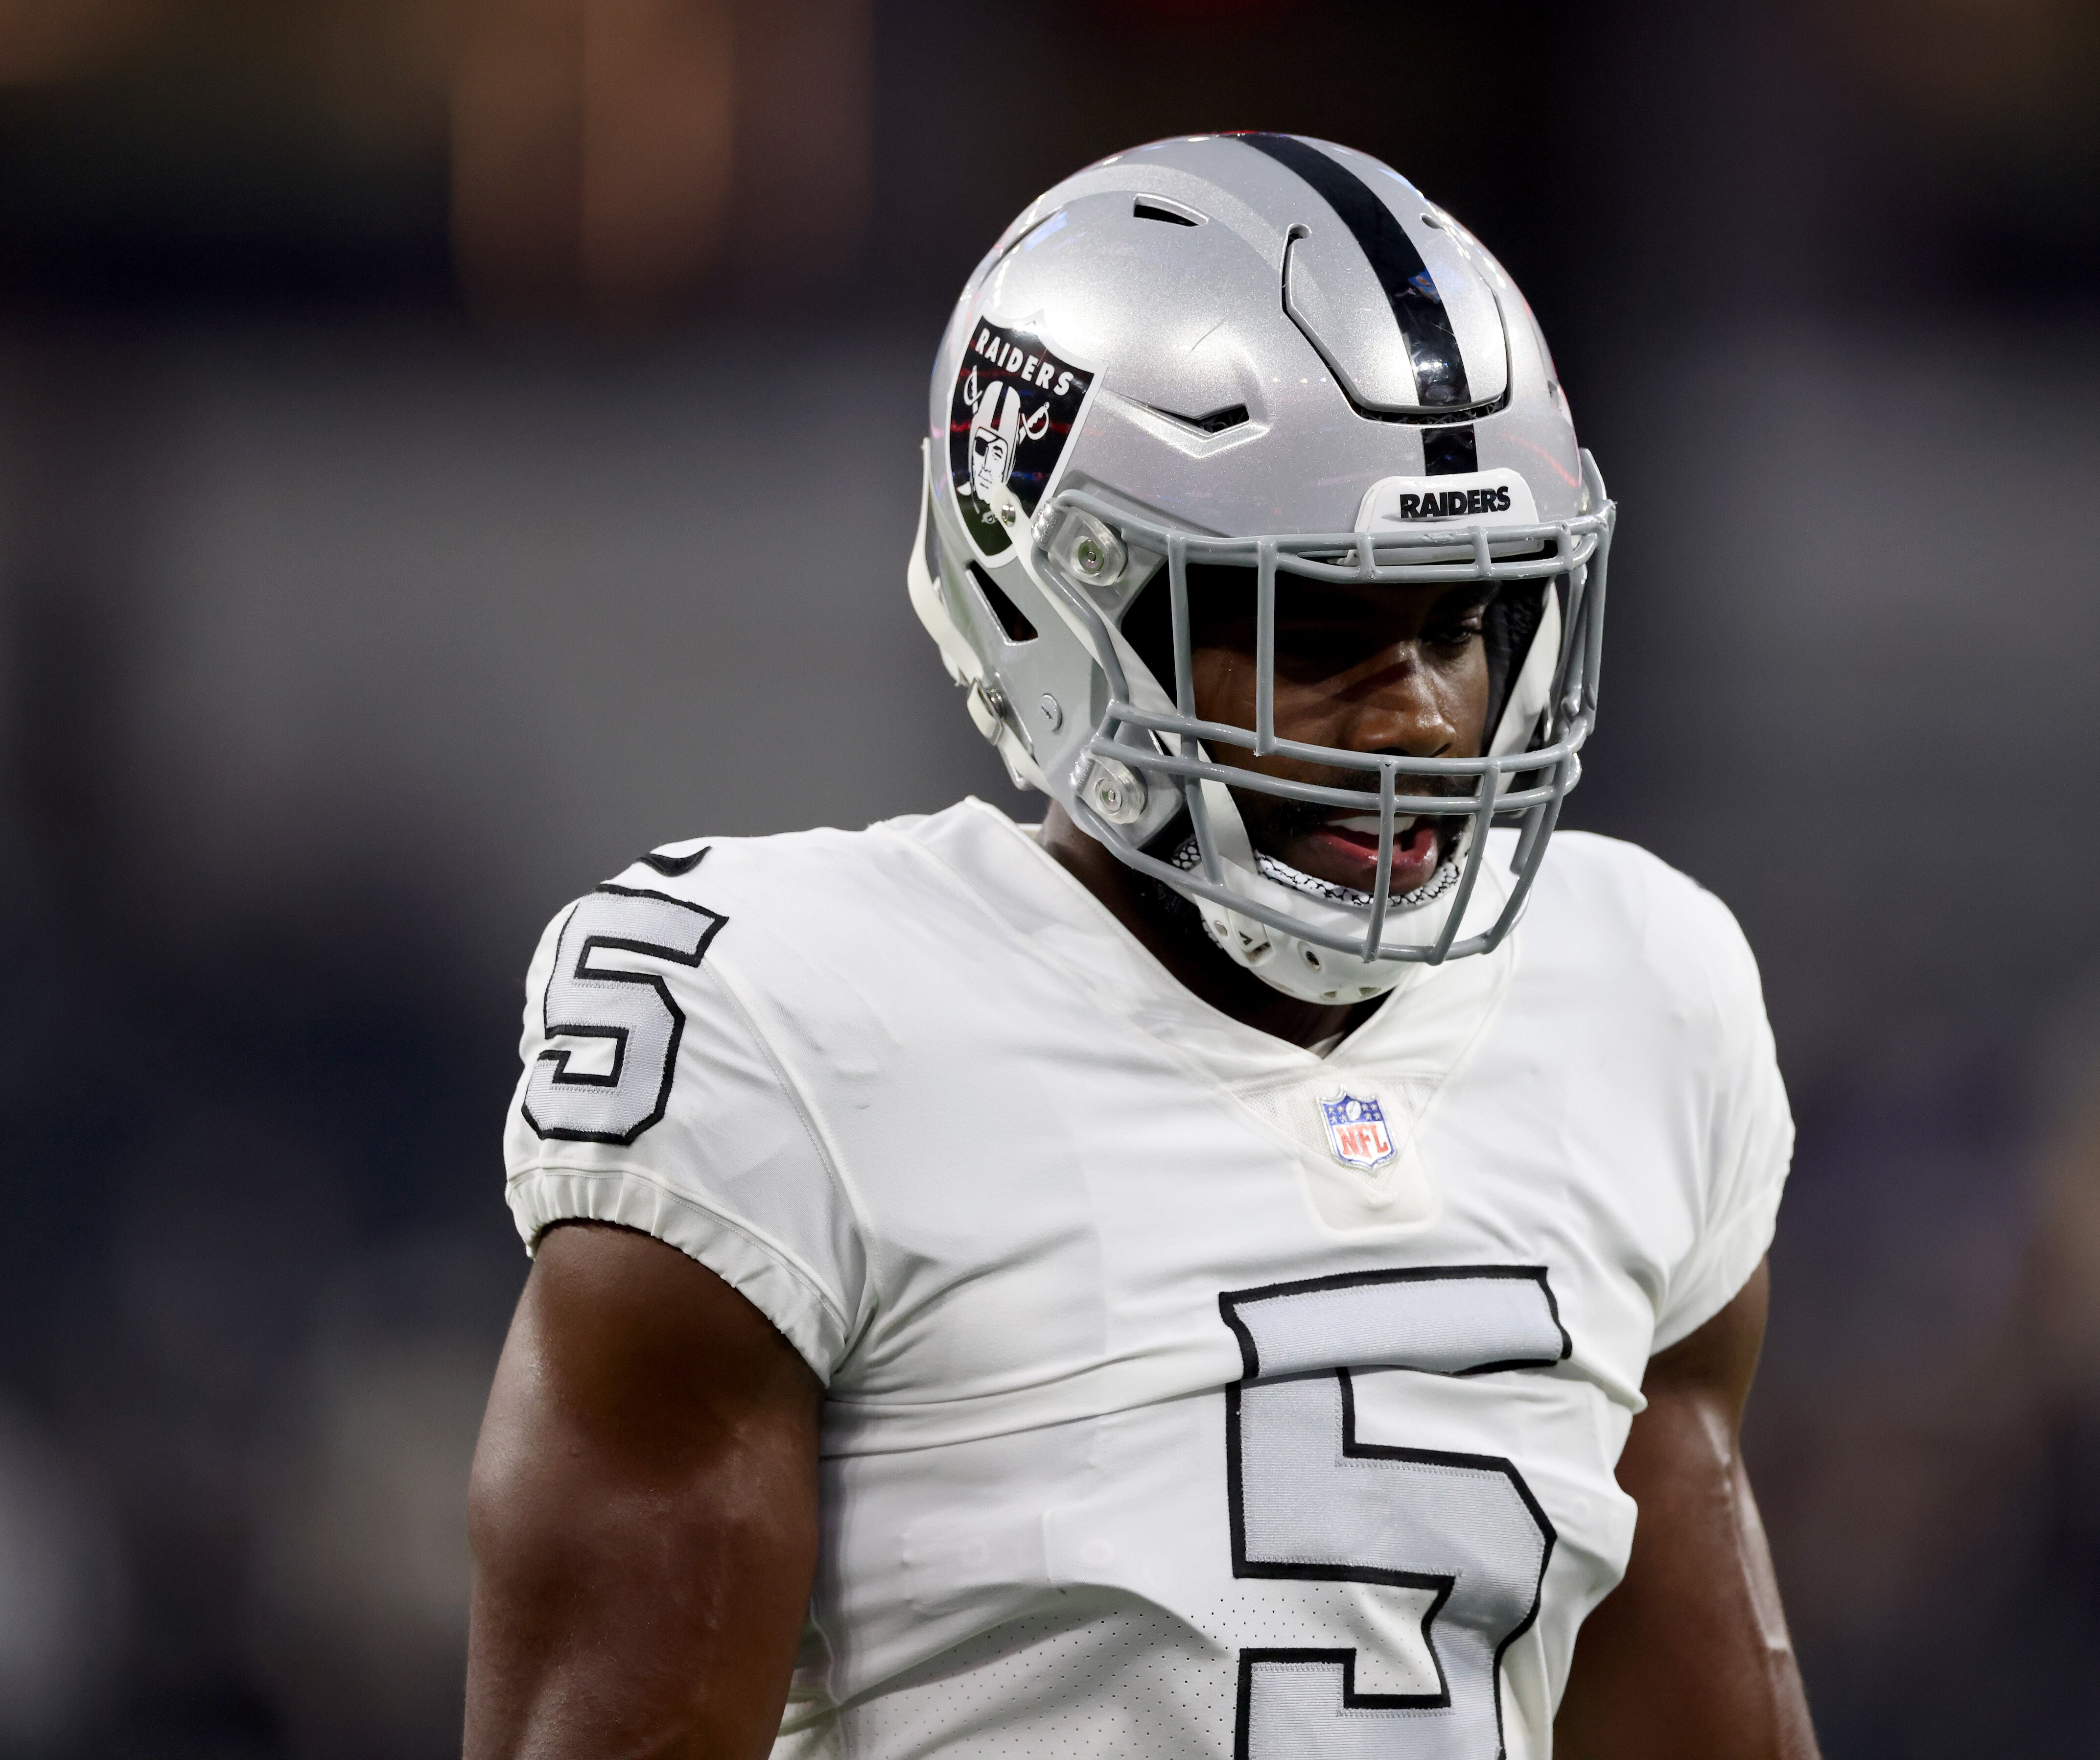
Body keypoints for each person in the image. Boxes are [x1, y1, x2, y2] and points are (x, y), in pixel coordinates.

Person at [464, 133, 1818, 1760]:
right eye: (1314, 626)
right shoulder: (791, 1023)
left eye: (1462, 620)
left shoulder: (1639, 995)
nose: (1423, 713)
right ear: (1057, 599)